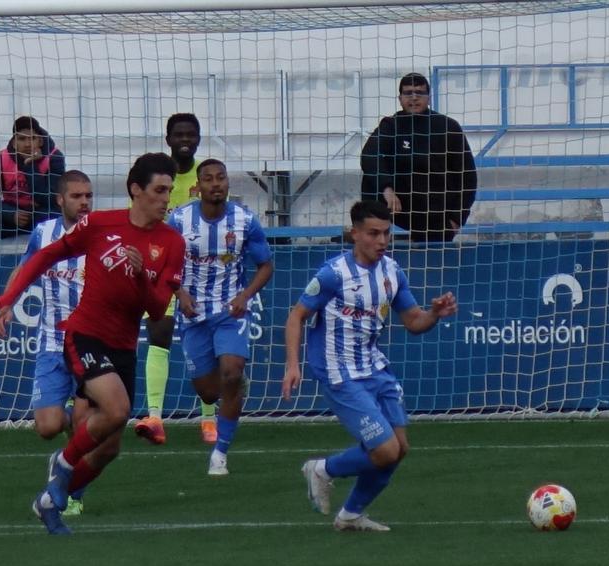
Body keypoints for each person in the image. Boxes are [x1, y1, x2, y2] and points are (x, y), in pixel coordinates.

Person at [0, 153, 186, 535]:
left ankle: (49, 499)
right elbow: (46, 255)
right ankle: (63, 462)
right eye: (159, 190)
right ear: (136, 191)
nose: (165, 198)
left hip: (123, 345)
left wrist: (141, 276)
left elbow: (157, 309)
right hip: (84, 333)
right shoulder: (101, 224)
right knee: (117, 408)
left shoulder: (172, 243)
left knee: (109, 447)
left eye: (169, 191)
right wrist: (9, 297)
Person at [281, 201, 457, 531]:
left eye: (387, 233)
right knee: (386, 449)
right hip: (339, 373)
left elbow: (414, 321)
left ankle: (350, 515)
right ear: (355, 234)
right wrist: (293, 364)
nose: (382, 241)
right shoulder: (333, 274)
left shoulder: (392, 272)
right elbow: (296, 316)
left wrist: (434, 313)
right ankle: (322, 469)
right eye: (373, 234)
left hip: (375, 369)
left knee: (400, 448)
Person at [0, 170, 94, 515]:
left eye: (88, 196)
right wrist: (6, 303)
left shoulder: (100, 233)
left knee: (85, 425)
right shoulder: (45, 233)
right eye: (77, 196)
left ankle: (73, 493)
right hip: (53, 343)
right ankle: (75, 430)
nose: (84, 202)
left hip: (91, 344)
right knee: (48, 427)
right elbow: (26, 269)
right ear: (60, 200)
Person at [169, 159, 274, 476]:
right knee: (209, 392)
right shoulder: (179, 220)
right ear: (198, 186)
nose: (215, 184)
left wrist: (245, 296)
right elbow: (163, 268)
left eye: (221, 178)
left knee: (231, 373)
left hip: (231, 310)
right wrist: (181, 294)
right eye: (208, 179)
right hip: (193, 313)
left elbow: (266, 266)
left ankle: (220, 453)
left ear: (228, 183)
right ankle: (231, 385)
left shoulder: (244, 221)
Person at [136, 112, 220, 445]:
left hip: (199, 273)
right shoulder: (157, 178)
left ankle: (209, 419)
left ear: (198, 138)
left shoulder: (206, 177)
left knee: (204, 342)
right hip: (160, 268)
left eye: (191, 134)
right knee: (159, 334)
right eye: (179, 135)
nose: (185, 140)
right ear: (168, 138)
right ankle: (155, 415)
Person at [359, 72, 477, 243]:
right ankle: (374, 234)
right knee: (371, 176)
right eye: (408, 93)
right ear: (400, 98)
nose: (414, 98)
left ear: (428, 97)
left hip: (434, 210)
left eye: (419, 93)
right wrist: (387, 188)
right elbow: (369, 154)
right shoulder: (391, 125)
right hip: (399, 205)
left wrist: (456, 218)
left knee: (432, 261)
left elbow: (468, 177)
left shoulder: (447, 127)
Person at [0, 115, 66, 253]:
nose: (27, 144)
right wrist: (11, 214)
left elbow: (52, 200)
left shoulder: (54, 157)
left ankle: (57, 269)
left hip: (41, 216)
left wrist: (30, 167)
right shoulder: (1, 159)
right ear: (14, 142)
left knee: (60, 218)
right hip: (11, 216)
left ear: (40, 141)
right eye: (21, 139)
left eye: (32, 138)